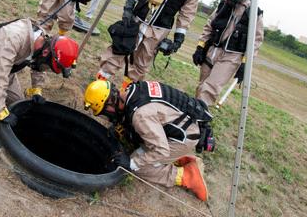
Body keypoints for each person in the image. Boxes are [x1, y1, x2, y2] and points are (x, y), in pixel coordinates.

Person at [84, 79, 214, 201]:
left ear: (110, 101)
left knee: (138, 166)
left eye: (105, 112)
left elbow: (161, 150)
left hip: (183, 138)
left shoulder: (140, 116)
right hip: (182, 127)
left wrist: (131, 163)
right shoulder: (133, 89)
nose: (107, 116)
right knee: (140, 142)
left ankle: (188, 176)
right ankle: (177, 157)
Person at [97, 0, 204, 90]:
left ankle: (126, 92)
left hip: (159, 30)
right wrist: (129, 5)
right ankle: (100, 82)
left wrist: (178, 39)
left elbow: (187, 14)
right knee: (119, 48)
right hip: (137, 18)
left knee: (141, 63)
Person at [192, 0, 264, 106]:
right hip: (213, 50)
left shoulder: (254, 13)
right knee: (202, 85)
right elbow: (209, 25)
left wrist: (245, 63)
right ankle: (196, 109)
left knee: (211, 88)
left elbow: (256, 40)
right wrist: (200, 47)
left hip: (231, 57)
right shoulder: (223, 4)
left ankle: (198, 115)